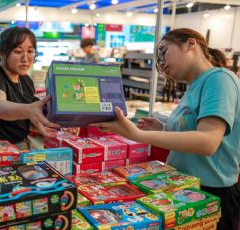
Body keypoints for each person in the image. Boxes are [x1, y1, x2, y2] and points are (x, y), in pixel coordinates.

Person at [94, 28, 240, 230]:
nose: (161, 63)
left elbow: (208, 141)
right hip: (180, 186)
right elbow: (193, 131)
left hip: (210, 193)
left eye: (163, 52)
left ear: (190, 44)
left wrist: (139, 135)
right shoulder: (194, 86)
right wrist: (163, 128)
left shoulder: (219, 79)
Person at [0, 27, 59, 165]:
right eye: (17, 51)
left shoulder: (25, 80)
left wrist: (38, 124)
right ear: (2, 52)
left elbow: (20, 116)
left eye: (30, 51)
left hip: (18, 148)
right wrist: (29, 110)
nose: (25, 58)